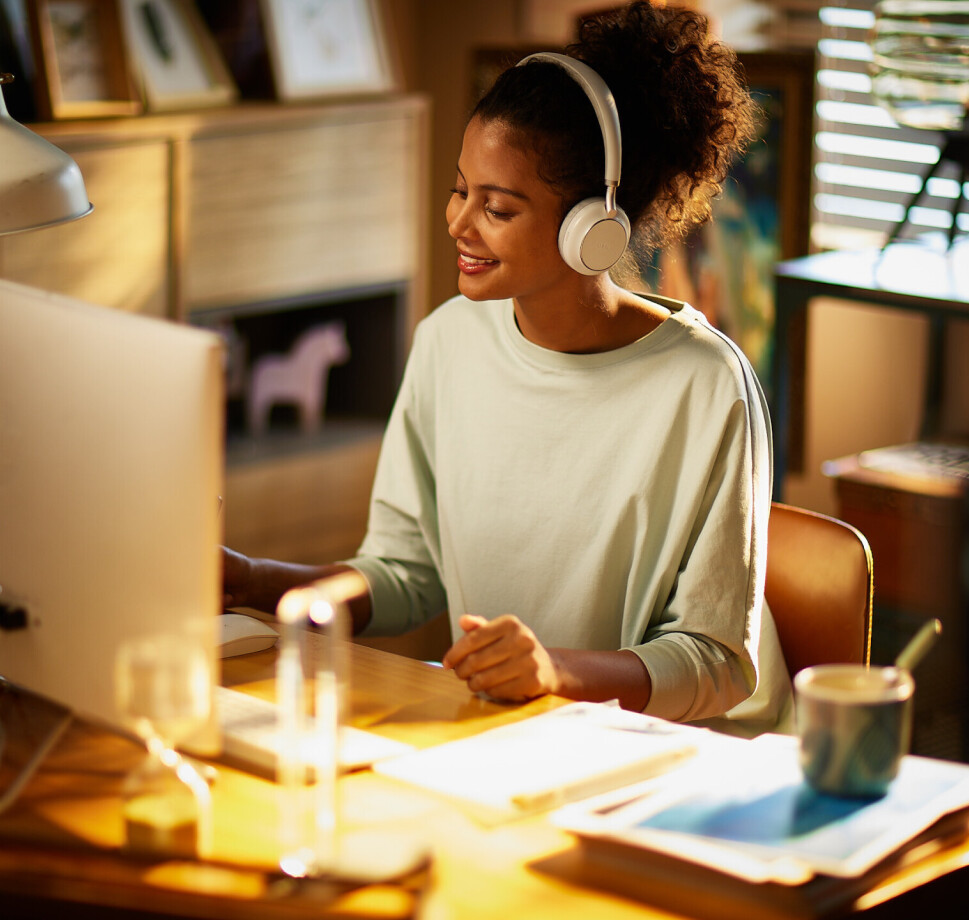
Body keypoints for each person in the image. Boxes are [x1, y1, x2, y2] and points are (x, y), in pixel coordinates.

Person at [223, 1, 791, 734]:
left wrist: (554, 673)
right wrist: (254, 581)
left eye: (497, 206)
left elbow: (718, 662)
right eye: (462, 190)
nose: (459, 222)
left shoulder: (706, 385)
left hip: (678, 759)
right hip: (503, 737)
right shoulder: (447, 343)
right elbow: (407, 573)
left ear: (594, 226)